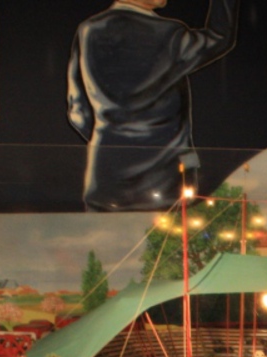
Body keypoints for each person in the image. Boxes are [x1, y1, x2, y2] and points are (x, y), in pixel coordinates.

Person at [67, 0, 240, 212]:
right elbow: (219, 37)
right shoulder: (168, 33)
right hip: (166, 183)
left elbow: (78, 112)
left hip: (105, 181)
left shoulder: (88, 29)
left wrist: (114, 141)